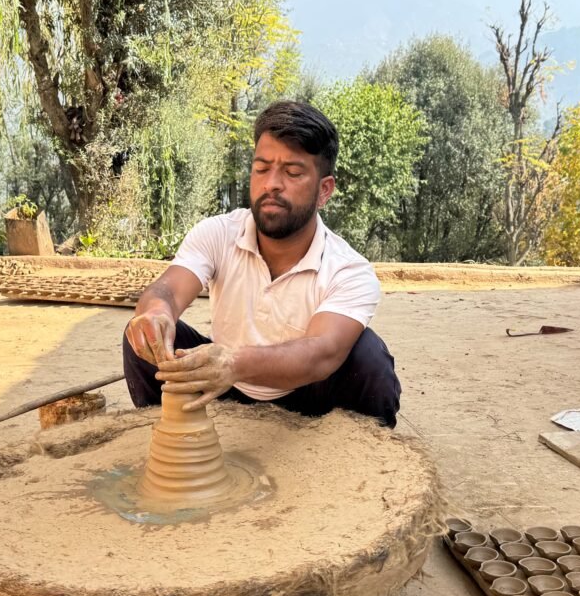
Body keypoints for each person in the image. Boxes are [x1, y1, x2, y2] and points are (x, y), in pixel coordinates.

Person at [122, 100, 401, 427]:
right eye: (262, 168)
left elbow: (321, 352)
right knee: (143, 337)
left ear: (324, 190)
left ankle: (366, 462)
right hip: (223, 386)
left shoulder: (348, 270)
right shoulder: (219, 233)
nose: (271, 184)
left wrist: (234, 362)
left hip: (307, 394)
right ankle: (171, 441)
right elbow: (168, 289)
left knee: (369, 359)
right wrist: (156, 313)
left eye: (292, 172)